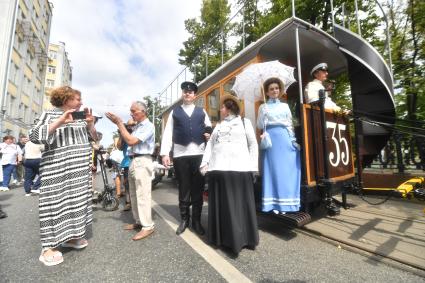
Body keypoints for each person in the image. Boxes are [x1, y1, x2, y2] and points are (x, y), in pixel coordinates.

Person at [29, 86, 98, 266]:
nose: (81, 102)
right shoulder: (50, 114)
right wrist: (60, 121)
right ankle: (48, 247)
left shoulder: (80, 118)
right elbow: (34, 136)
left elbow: (95, 139)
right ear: (65, 99)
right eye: (77, 99)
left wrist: (90, 124)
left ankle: (73, 237)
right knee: (54, 205)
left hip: (79, 172)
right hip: (56, 170)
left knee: (77, 203)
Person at [200, 94, 259, 255]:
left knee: (240, 204)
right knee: (223, 204)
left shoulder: (244, 122)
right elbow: (211, 146)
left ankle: (243, 239)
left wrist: (254, 166)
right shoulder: (218, 126)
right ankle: (222, 238)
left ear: (229, 108)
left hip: (240, 168)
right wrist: (205, 163)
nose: (220, 109)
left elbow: (253, 144)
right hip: (218, 168)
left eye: (223, 107)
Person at [160, 81, 212, 236]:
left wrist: (208, 132)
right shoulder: (175, 112)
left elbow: (209, 127)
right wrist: (164, 153)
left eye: (190, 92)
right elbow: (168, 133)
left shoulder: (201, 111)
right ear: (182, 94)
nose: (187, 93)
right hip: (180, 155)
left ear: (195, 95)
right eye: (185, 91)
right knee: (184, 189)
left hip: (199, 154)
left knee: (197, 189)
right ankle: (184, 220)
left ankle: (196, 221)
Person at [106, 101, 155, 241]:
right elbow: (123, 143)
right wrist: (122, 126)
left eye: (134, 111)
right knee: (133, 194)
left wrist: (120, 124)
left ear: (143, 111)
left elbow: (132, 141)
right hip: (133, 159)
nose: (131, 113)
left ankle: (148, 226)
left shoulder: (148, 126)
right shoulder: (138, 126)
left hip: (143, 160)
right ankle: (139, 221)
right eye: (131, 111)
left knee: (142, 194)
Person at [257, 77, 301, 213]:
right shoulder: (262, 107)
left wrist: (293, 140)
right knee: (272, 171)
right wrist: (264, 116)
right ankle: (273, 205)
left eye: (276, 88)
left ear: (279, 90)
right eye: (271, 89)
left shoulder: (285, 106)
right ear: (267, 92)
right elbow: (259, 125)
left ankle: (286, 204)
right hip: (271, 141)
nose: (275, 91)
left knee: (286, 171)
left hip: (284, 139)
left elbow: (289, 124)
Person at [117, 119, 136, 211]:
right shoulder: (124, 135)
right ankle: (128, 202)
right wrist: (121, 133)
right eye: (128, 126)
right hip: (127, 164)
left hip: (137, 162)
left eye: (133, 125)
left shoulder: (139, 133)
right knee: (127, 184)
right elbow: (119, 147)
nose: (130, 127)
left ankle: (136, 202)